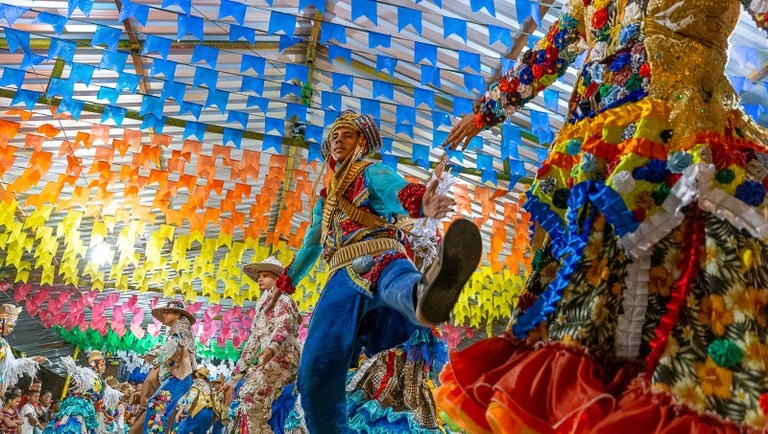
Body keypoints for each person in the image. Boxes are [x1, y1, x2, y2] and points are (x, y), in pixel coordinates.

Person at [437, 1, 768, 433]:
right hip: (595, 160)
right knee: (587, 300)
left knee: (691, 290)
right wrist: (483, 113)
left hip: (683, 144)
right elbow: (546, 56)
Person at [272, 110, 482, 433]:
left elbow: (395, 190)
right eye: (335, 136)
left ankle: (426, 296)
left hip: (380, 251)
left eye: (347, 135)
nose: (338, 140)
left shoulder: (371, 171)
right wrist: (286, 281)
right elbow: (312, 244)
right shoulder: (326, 199)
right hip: (340, 276)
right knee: (313, 375)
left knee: (401, 284)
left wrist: (421, 203)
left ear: (361, 143)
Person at [226, 256, 301, 434]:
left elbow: (284, 324)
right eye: (259, 275)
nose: (260, 278)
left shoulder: (283, 299)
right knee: (245, 398)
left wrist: (271, 348)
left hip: (283, 359)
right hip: (268, 361)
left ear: (277, 278)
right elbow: (253, 343)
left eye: (266, 275)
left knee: (253, 396)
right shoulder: (262, 304)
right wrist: (233, 379)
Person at [140, 300, 197, 434]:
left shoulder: (180, 328)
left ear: (177, 314)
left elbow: (172, 345)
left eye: (167, 312)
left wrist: (156, 353)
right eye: (164, 313)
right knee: (159, 407)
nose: (164, 315)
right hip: (179, 376)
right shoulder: (181, 328)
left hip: (180, 377)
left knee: (156, 405)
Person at [44, 351, 121, 434]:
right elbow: (77, 371)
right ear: (94, 365)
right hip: (79, 405)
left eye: (104, 365)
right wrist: (71, 365)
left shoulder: (101, 381)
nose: (104, 367)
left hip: (90, 407)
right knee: (73, 425)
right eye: (102, 365)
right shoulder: (86, 373)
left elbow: (103, 396)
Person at [0, 305, 45, 394]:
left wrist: (31, 360)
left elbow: (11, 366)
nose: (11, 329)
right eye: (10, 325)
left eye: (13, 326)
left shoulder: (4, 343)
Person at [172, 368, 215, 434]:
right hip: (210, 413)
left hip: (200, 411)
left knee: (180, 429)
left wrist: (179, 412)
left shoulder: (197, 384)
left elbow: (190, 398)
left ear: (197, 374)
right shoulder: (208, 385)